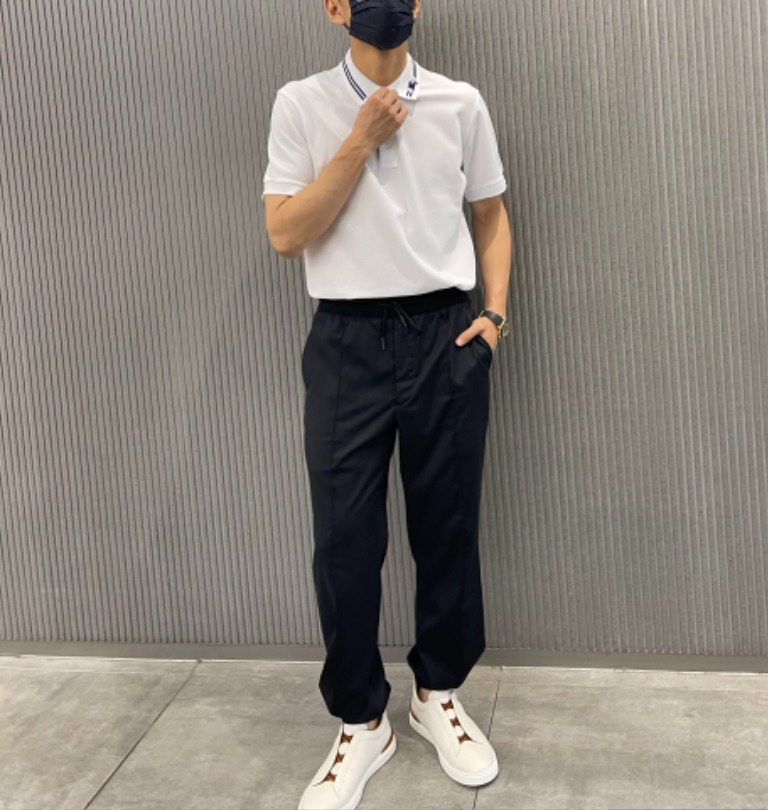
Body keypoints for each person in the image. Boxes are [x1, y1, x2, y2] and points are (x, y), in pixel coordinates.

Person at [262, 1, 512, 807]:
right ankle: (361, 720)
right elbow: (286, 233)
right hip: (347, 340)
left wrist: (493, 316)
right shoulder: (301, 103)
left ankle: (438, 693)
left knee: (447, 526)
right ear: (334, 7)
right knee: (344, 540)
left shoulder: (459, 102)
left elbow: (490, 213)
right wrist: (359, 141)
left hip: (445, 334)